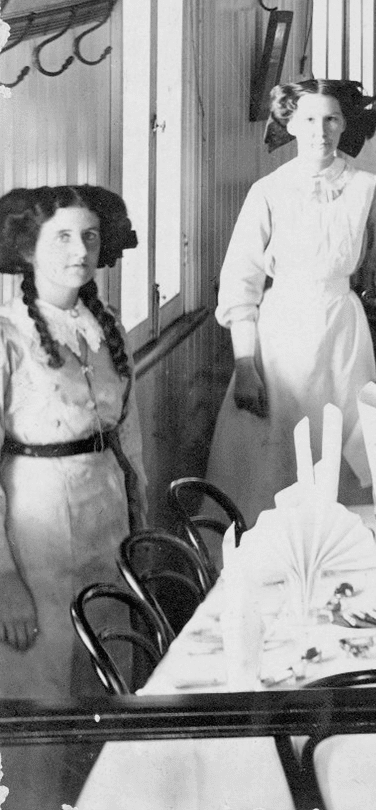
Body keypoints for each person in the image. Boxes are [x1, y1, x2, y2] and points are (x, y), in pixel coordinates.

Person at [206, 79, 376, 519]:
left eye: (332, 119)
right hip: (281, 336)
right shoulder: (268, 191)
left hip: (342, 334)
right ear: (291, 124)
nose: (321, 131)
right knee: (274, 455)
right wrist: (245, 363)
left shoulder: (365, 189)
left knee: (341, 446)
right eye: (309, 119)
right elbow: (241, 282)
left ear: (344, 125)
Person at [0, 185, 142, 804]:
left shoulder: (101, 326)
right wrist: (5, 579)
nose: (79, 250)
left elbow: (125, 441)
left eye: (89, 236)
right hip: (37, 528)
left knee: (107, 680)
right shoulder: (7, 333)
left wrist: (138, 530)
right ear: (26, 248)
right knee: (44, 695)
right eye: (60, 236)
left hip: (104, 516)